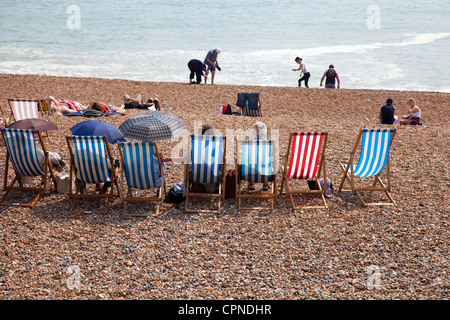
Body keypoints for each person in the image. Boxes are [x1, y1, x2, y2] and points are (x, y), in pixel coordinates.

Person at [247, 121, 270, 191]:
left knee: (249, 162)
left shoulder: (249, 141)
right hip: (264, 171)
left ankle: (250, 184)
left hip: (250, 173)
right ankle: (265, 184)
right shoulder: (268, 142)